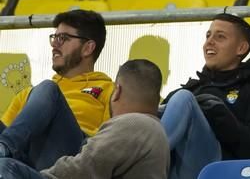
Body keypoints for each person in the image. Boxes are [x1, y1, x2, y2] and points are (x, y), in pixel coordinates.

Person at [159, 14, 250, 179]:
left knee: (183, 99)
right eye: (208, 35)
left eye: (220, 37)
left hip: (220, 172)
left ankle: (139, 164)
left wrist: (223, 120)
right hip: (171, 169)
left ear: (241, 48)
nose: (209, 42)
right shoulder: (192, 88)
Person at [0, 59, 170, 179]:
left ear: (116, 91)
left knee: (6, 167)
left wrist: (27, 172)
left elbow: (84, 169)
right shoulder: (155, 131)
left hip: (63, 170)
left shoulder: (134, 124)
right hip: (60, 164)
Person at [0, 10, 113, 171]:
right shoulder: (30, 95)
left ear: (88, 48)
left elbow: (113, 142)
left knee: (48, 89)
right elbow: (8, 130)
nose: (54, 44)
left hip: (71, 161)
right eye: (54, 38)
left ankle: (4, 148)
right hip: (23, 161)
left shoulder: (109, 90)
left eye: (63, 38)